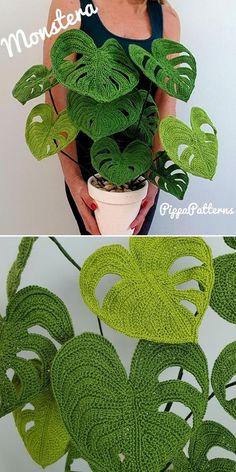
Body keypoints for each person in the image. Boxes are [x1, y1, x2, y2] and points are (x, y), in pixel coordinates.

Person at [44, 0, 180, 234]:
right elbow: (56, 95)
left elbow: (165, 103)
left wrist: (156, 180)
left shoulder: (167, 19)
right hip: (89, 165)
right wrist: (73, 179)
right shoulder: (72, 4)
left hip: (141, 169)